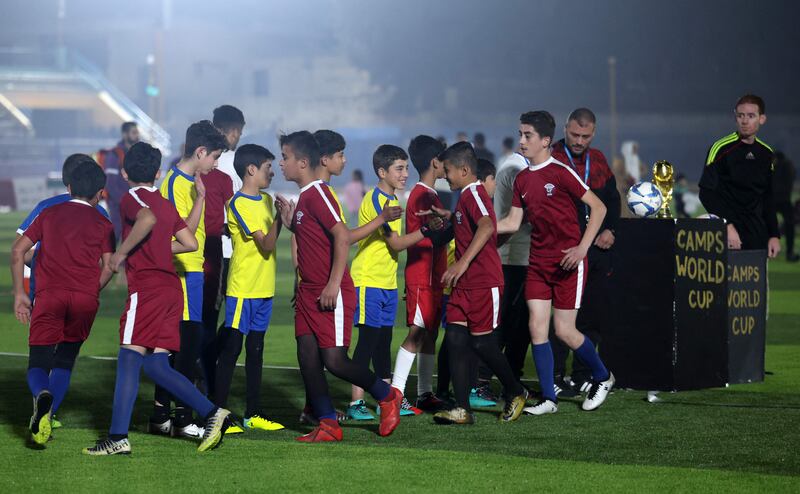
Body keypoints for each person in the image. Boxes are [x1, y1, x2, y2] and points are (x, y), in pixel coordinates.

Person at [83, 142, 231, 455]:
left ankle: (117, 437)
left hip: (147, 289)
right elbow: (189, 242)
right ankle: (213, 413)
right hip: (170, 291)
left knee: (128, 359)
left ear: (124, 172)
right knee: (157, 366)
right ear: (158, 172)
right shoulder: (164, 202)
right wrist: (200, 200)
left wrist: (121, 254)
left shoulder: (131, 198)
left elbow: (146, 220)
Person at [274, 131, 401, 442]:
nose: (281, 163)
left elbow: (342, 236)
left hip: (330, 291)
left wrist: (332, 284)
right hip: (307, 291)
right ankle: (328, 423)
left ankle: (387, 396)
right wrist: (292, 223)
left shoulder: (318, 194)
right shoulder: (306, 197)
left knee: (334, 360)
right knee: (307, 356)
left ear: (303, 162)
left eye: (286, 158)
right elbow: (317, 239)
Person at [497, 110, 615, 416]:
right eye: (521, 134)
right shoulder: (522, 179)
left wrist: (581, 249)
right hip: (538, 263)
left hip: (568, 263)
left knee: (564, 331)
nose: (521, 140)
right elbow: (512, 222)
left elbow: (599, 209)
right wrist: (475, 227)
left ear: (545, 141)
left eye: (528, 136)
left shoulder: (561, 172)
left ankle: (603, 377)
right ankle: (549, 399)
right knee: (537, 328)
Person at [11, 160, 115, 445]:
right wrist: (92, 290)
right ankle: (49, 412)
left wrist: (20, 293)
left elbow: (19, 250)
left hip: (49, 296)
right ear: (100, 193)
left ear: (68, 187)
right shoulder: (104, 222)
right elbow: (109, 265)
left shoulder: (50, 212)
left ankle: (42, 396)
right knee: (66, 359)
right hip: (84, 299)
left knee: (39, 361)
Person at [425, 142, 528, 425]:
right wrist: (449, 219)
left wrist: (462, 262)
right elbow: (472, 224)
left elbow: (486, 226)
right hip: (465, 285)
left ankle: (517, 391)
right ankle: (462, 409)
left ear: (465, 170)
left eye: (447, 171)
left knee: (482, 344)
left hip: (483, 282)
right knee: (456, 340)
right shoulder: (465, 197)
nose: (445, 175)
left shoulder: (475, 193)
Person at [150, 121, 228, 438]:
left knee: (177, 349)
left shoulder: (187, 181)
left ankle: (161, 417)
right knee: (184, 348)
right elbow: (181, 232)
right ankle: (181, 420)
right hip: (182, 274)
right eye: (214, 157)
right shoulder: (176, 185)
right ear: (200, 152)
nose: (216, 163)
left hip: (191, 272)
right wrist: (200, 198)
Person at [348, 144, 429, 420]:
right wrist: (427, 231)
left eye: (406, 168)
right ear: (382, 172)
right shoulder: (377, 200)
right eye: (399, 168)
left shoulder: (393, 201)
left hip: (386, 282)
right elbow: (395, 244)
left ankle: (389, 399)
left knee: (382, 343)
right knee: (368, 342)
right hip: (368, 279)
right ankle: (356, 403)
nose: (405, 173)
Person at [213, 144, 284, 433]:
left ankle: (253, 412)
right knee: (231, 350)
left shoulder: (266, 200)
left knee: (256, 351)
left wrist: (284, 216)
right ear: (251, 169)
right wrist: (281, 217)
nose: (273, 172)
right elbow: (266, 244)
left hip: (264, 288)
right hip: (243, 289)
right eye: (268, 167)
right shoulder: (238, 203)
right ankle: (217, 413)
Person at [550, 107, 620, 394]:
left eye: (585, 136)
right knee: (560, 318)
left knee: (591, 315)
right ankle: (554, 377)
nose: (579, 141)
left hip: (596, 253)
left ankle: (583, 375)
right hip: (564, 251)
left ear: (594, 133)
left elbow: (613, 201)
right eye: (574, 134)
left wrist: (611, 230)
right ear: (565, 128)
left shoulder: (599, 160)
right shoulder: (552, 157)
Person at [389, 135, 449, 413]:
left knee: (429, 334)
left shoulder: (430, 193)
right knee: (417, 333)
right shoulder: (423, 194)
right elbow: (429, 236)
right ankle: (395, 394)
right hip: (422, 276)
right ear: (435, 162)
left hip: (433, 275)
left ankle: (425, 393)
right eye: (445, 160)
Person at [699, 94, 781, 257]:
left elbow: (768, 197)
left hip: (757, 236)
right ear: (735, 117)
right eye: (740, 116)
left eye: (751, 116)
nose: (744, 121)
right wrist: (727, 226)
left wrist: (774, 235)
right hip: (729, 237)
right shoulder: (720, 148)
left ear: (762, 119)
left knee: (757, 283)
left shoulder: (766, 153)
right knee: (727, 283)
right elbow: (706, 193)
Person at [200, 105, 244, 399]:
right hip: (223, 251)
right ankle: (203, 378)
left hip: (209, 250)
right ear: (229, 131)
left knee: (211, 318)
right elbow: (236, 210)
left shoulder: (200, 160)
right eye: (238, 132)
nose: (238, 137)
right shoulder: (226, 163)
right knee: (224, 320)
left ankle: (200, 373)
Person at [486, 140, 532, 400]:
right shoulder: (514, 169)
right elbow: (519, 215)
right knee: (503, 325)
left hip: (523, 256)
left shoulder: (522, 166)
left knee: (521, 325)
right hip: (513, 257)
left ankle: (512, 382)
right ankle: (484, 381)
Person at [98, 121, 140, 240]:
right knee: (118, 233)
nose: (137, 135)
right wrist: (125, 201)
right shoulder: (114, 155)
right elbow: (110, 184)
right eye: (134, 132)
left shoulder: (136, 153)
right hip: (117, 204)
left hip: (133, 202)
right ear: (125, 135)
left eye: (137, 132)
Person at [772, 152, 797, 261]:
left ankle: (766, 251)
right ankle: (789, 252)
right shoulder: (788, 165)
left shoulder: (772, 166)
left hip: (773, 200)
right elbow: (790, 180)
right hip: (784, 200)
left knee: (765, 225)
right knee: (790, 226)